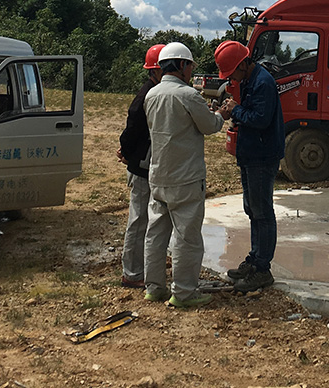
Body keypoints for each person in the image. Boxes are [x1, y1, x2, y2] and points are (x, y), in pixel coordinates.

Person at [142, 41, 226, 309]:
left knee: (156, 235)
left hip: (158, 175)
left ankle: (154, 288)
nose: (191, 71)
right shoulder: (188, 95)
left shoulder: (151, 95)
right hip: (186, 178)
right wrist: (221, 114)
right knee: (187, 238)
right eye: (189, 66)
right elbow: (210, 126)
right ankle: (184, 293)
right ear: (181, 65)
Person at [215, 40, 286, 292]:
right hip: (250, 154)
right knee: (252, 208)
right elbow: (250, 114)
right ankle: (255, 260)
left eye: (232, 72)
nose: (230, 78)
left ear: (244, 64)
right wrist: (236, 112)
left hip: (262, 156)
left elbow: (261, 119)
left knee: (262, 212)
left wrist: (236, 111)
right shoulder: (249, 80)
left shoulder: (263, 82)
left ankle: (263, 269)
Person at [115, 43, 164, 289]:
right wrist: (127, 152)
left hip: (146, 164)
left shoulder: (154, 92)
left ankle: (141, 268)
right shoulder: (146, 96)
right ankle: (132, 273)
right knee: (139, 220)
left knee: (146, 219)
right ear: (156, 70)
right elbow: (132, 130)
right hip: (141, 166)